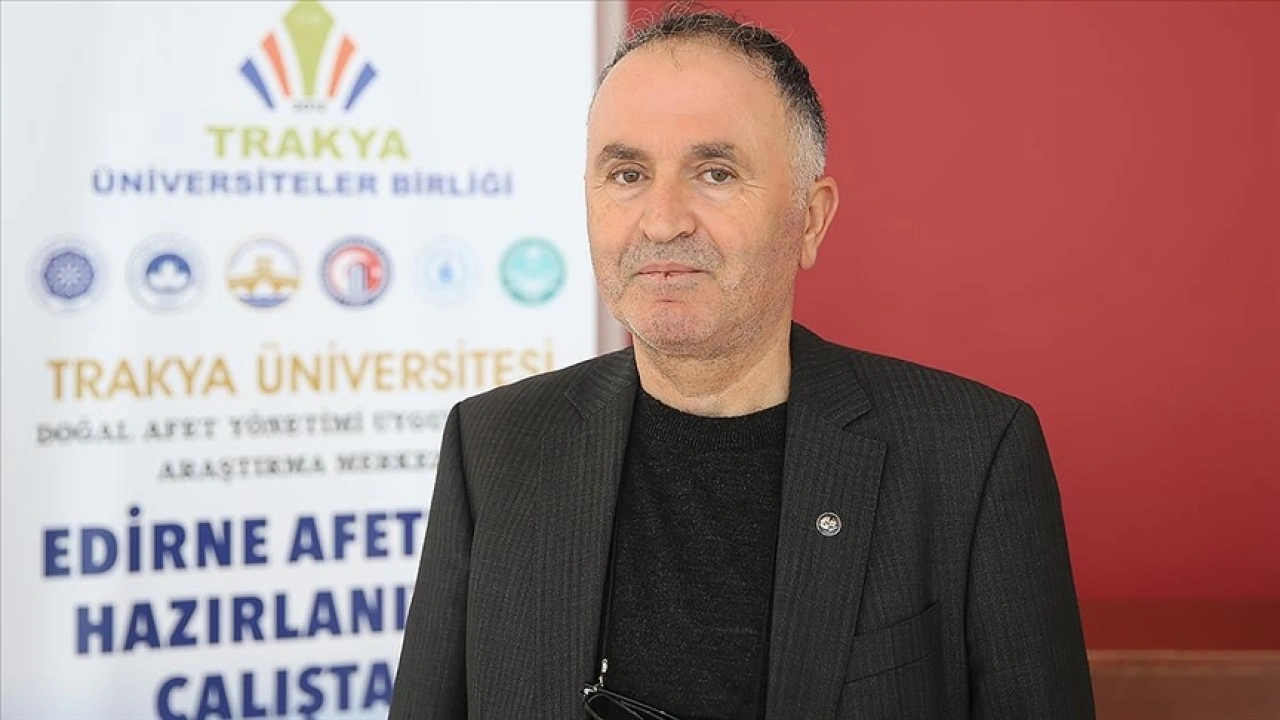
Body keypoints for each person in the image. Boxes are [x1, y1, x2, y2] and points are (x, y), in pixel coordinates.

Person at [390, 7, 1094, 719]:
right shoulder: (493, 445)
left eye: (716, 173)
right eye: (628, 173)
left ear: (810, 218)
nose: (662, 220)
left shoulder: (972, 456)